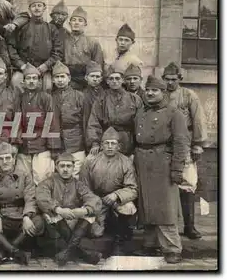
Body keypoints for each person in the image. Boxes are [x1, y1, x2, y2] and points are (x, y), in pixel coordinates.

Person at [133, 75, 189, 264]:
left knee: (165, 207)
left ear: (163, 92)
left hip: (162, 162)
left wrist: (177, 169)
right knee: (147, 205)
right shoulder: (141, 112)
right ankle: (151, 244)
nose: (149, 93)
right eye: (147, 90)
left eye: (154, 90)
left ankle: (172, 248)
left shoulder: (174, 113)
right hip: (142, 161)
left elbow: (181, 143)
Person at [0, 142, 44, 266]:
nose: (5, 161)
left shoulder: (25, 175)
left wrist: (27, 216)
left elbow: (31, 198)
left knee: (38, 221)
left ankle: (6, 250)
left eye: (8, 158)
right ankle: (15, 251)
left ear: (14, 159)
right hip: (1, 217)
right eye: (1, 158)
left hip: (20, 216)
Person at [162, 62, 208, 240]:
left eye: (174, 79)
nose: (170, 83)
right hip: (165, 144)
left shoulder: (189, 95)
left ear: (180, 79)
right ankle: (167, 225)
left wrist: (198, 144)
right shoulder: (159, 95)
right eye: (167, 79)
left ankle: (189, 226)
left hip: (186, 143)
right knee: (166, 184)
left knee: (188, 183)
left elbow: (198, 120)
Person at [36, 152, 102, 266]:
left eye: (68, 166)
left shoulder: (78, 184)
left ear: (73, 168)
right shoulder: (48, 182)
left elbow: (94, 199)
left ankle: (67, 252)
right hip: (56, 224)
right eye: (62, 166)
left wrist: (83, 210)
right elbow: (42, 198)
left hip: (73, 220)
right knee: (50, 214)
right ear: (56, 167)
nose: (65, 169)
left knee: (90, 213)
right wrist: (59, 210)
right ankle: (83, 254)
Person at [79, 127, 138, 255]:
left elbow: (133, 189)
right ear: (101, 145)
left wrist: (116, 195)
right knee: (95, 232)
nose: (110, 146)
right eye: (107, 143)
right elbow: (83, 186)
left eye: (113, 143)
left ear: (119, 146)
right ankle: (107, 221)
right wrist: (93, 200)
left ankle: (120, 240)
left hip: (115, 199)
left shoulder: (126, 162)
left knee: (128, 208)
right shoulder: (90, 161)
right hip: (97, 199)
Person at [12, 64, 61, 186]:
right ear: (23, 81)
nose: (32, 81)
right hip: (25, 145)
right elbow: (17, 122)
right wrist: (15, 143)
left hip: (42, 145)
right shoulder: (20, 98)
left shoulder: (46, 97)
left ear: (39, 81)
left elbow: (52, 122)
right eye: (28, 78)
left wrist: (53, 147)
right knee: (24, 179)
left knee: (42, 178)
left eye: (34, 78)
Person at [8, 0, 63, 92]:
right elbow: (12, 47)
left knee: (48, 86)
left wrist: (45, 66)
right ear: (29, 9)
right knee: (16, 81)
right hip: (24, 68)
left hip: (44, 69)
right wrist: (21, 65)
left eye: (39, 5)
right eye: (33, 6)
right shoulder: (21, 28)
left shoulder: (51, 29)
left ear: (44, 8)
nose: (37, 8)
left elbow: (58, 52)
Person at [86, 65, 142, 157]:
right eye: (111, 79)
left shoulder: (134, 99)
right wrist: (95, 143)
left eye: (117, 78)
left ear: (123, 80)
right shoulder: (101, 100)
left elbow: (140, 124)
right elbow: (94, 123)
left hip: (128, 141)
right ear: (107, 81)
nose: (114, 81)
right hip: (108, 142)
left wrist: (136, 147)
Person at [51, 61, 85, 177]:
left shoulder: (79, 96)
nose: (60, 80)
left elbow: (85, 121)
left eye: (62, 77)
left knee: (76, 174)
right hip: (57, 142)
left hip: (77, 141)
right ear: (53, 80)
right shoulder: (49, 97)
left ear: (69, 78)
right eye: (57, 77)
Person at [64, 6, 104, 90]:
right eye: (73, 20)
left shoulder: (93, 42)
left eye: (80, 20)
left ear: (85, 24)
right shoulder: (63, 41)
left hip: (86, 81)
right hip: (68, 80)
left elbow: (98, 64)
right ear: (69, 23)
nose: (76, 23)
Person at [82, 61, 105, 150]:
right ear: (86, 77)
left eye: (97, 76)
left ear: (101, 79)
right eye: (92, 76)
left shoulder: (105, 94)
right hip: (88, 132)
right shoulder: (82, 95)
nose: (95, 79)